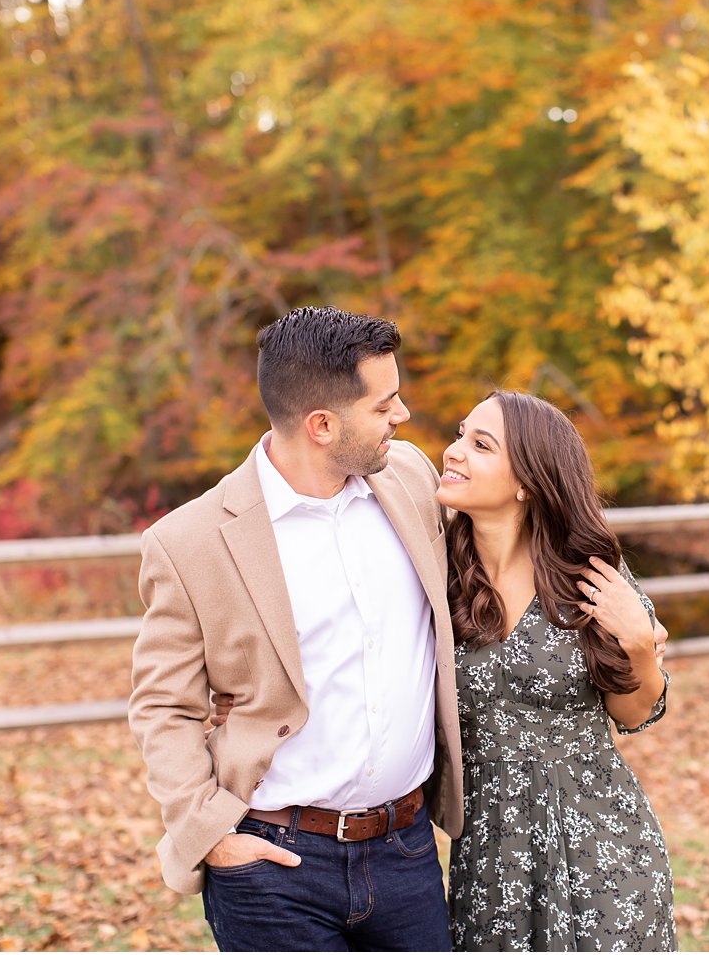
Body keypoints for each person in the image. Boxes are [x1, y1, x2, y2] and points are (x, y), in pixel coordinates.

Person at [127, 306, 463, 952]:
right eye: (385, 404)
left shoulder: (412, 481)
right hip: (273, 871)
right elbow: (161, 707)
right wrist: (209, 831)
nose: (404, 415)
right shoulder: (190, 542)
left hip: (408, 851)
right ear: (322, 425)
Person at [437, 390, 677, 952]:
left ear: (527, 479)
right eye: (458, 434)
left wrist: (640, 645)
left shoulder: (587, 574)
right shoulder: (435, 574)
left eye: (480, 444)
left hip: (604, 846)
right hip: (489, 855)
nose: (453, 452)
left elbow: (635, 712)